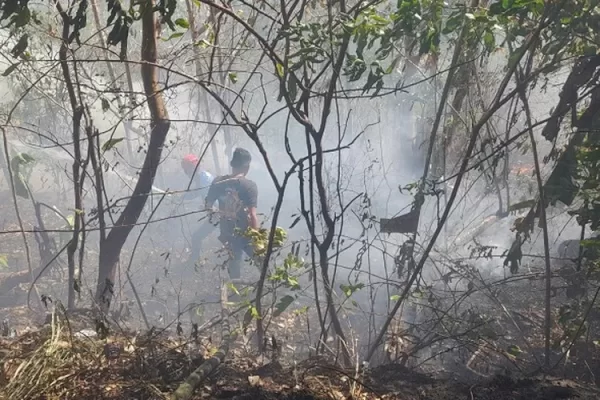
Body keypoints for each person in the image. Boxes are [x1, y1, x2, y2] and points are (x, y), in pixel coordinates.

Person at [205, 148, 258, 283]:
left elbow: (208, 205)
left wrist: (220, 216)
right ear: (247, 167)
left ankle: (235, 293)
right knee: (261, 260)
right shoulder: (249, 186)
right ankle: (270, 287)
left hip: (227, 232)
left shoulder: (218, 182)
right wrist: (257, 237)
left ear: (232, 165)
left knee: (234, 263)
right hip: (246, 233)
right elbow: (252, 215)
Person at [180, 154, 216, 263]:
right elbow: (196, 192)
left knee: (196, 236)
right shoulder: (200, 178)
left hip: (219, 214)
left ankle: (194, 262)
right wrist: (180, 197)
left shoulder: (205, 179)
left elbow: (210, 201)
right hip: (216, 214)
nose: (187, 173)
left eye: (187, 170)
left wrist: (205, 206)